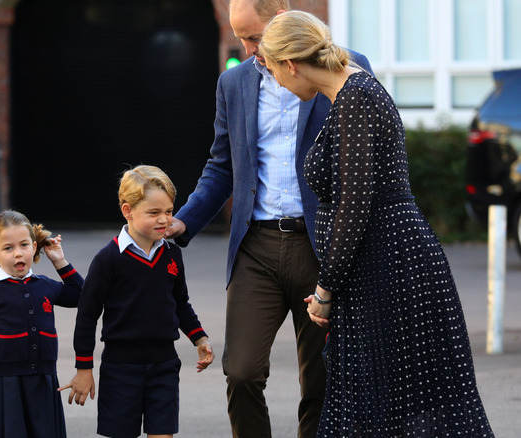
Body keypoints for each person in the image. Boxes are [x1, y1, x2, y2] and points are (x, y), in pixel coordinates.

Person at [259, 10, 495, 437]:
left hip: (387, 267)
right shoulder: (351, 92)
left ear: (291, 64)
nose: (276, 81)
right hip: (380, 265)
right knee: (385, 405)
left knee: (389, 406)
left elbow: (354, 205)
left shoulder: (354, 96)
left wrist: (325, 290)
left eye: (273, 69)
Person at [163, 1, 372, 437]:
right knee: (240, 371)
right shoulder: (233, 82)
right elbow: (222, 166)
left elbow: (361, 165)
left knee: (321, 381)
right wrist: (183, 222)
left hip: (321, 246)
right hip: (255, 247)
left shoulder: (346, 68)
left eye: (255, 37)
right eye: (241, 38)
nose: (248, 48)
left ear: (281, 12)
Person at [60, 165, 214, 438]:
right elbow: (87, 316)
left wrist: (200, 339)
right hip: (120, 368)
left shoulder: (172, 256)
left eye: (168, 211)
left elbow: (180, 303)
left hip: (164, 364)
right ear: (127, 211)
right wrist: (84, 368)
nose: (164, 220)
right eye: (153, 213)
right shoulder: (108, 259)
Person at [0, 210, 84, 438]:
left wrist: (60, 261)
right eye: (8, 248)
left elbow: (82, 296)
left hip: (44, 384)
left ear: (34, 247)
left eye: (24, 245)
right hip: (5, 388)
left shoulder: (45, 286)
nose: (18, 254)